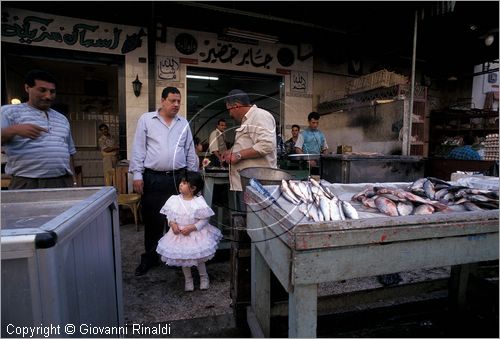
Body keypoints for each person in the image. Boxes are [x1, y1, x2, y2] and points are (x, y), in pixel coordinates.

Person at [129, 86, 199, 276]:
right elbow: (138, 148)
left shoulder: (183, 123)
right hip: (153, 178)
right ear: (162, 101)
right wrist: (137, 174)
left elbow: (190, 151)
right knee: (153, 220)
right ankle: (150, 258)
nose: (176, 105)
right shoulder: (146, 120)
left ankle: (177, 259)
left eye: (179, 101)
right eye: (172, 101)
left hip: (178, 179)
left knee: (179, 220)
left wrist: (193, 178)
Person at [1, 69, 77, 189]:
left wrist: (74, 182)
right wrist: (14, 130)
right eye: (42, 90)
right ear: (27, 88)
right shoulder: (9, 112)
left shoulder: (62, 119)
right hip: (27, 183)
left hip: (62, 182)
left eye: (52, 92)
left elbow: (69, 152)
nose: (48, 96)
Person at [156, 170, 222, 291]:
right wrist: (173, 224)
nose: (181, 184)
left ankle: (204, 277)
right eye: (181, 182)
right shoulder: (174, 200)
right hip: (179, 235)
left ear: (193, 188)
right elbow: (169, 215)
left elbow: (204, 219)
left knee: (199, 257)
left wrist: (192, 227)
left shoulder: (198, 201)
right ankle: (188, 279)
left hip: (195, 234)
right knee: (184, 258)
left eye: (184, 183)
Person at [221, 89, 277, 210]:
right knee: (248, 220)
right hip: (248, 184)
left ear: (236, 106)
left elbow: (266, 145)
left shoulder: (260, 116)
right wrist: (232, 151)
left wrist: (238, 155)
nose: (230, 114)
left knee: (255, 222)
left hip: (258, 185)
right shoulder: (248, 119)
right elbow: (248, 143)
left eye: (229, 109)